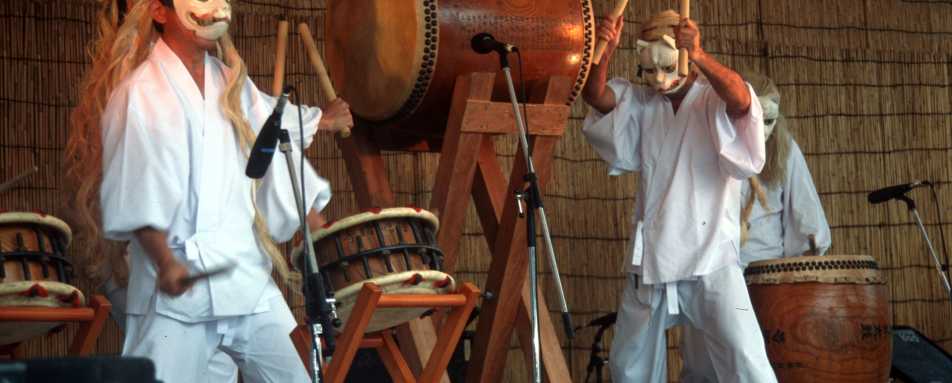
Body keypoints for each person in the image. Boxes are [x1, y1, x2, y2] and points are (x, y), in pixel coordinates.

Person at [66, 0, 353, 381]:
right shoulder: (140, 93)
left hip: (243, 278)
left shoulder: (229, 82)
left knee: (298, 376)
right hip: (175, 288)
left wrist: (324, 119)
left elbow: (272, 121)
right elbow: (134, 192)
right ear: (160, 12)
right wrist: (165, 262)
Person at [581, 9, 777, 382]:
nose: (659, 80)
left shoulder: (711, 100)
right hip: (653, 256)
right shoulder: (642, 103)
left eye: (668, 67)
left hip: (712, 255)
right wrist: (603, 54)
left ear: (686, 56)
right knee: (629, 367)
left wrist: (701, 55)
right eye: (649, 70)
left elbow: (741, 100)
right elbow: (598, 96)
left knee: (744, 360)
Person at [679, 71, 832, 383]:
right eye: (755, 118)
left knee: (756, 363)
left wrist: (791, 279)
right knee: (703, 365)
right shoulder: (709, 145)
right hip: (710, 269)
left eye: (769, 121)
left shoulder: (785, 149)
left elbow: (807, 218)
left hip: (766, 278)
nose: (761, 131)